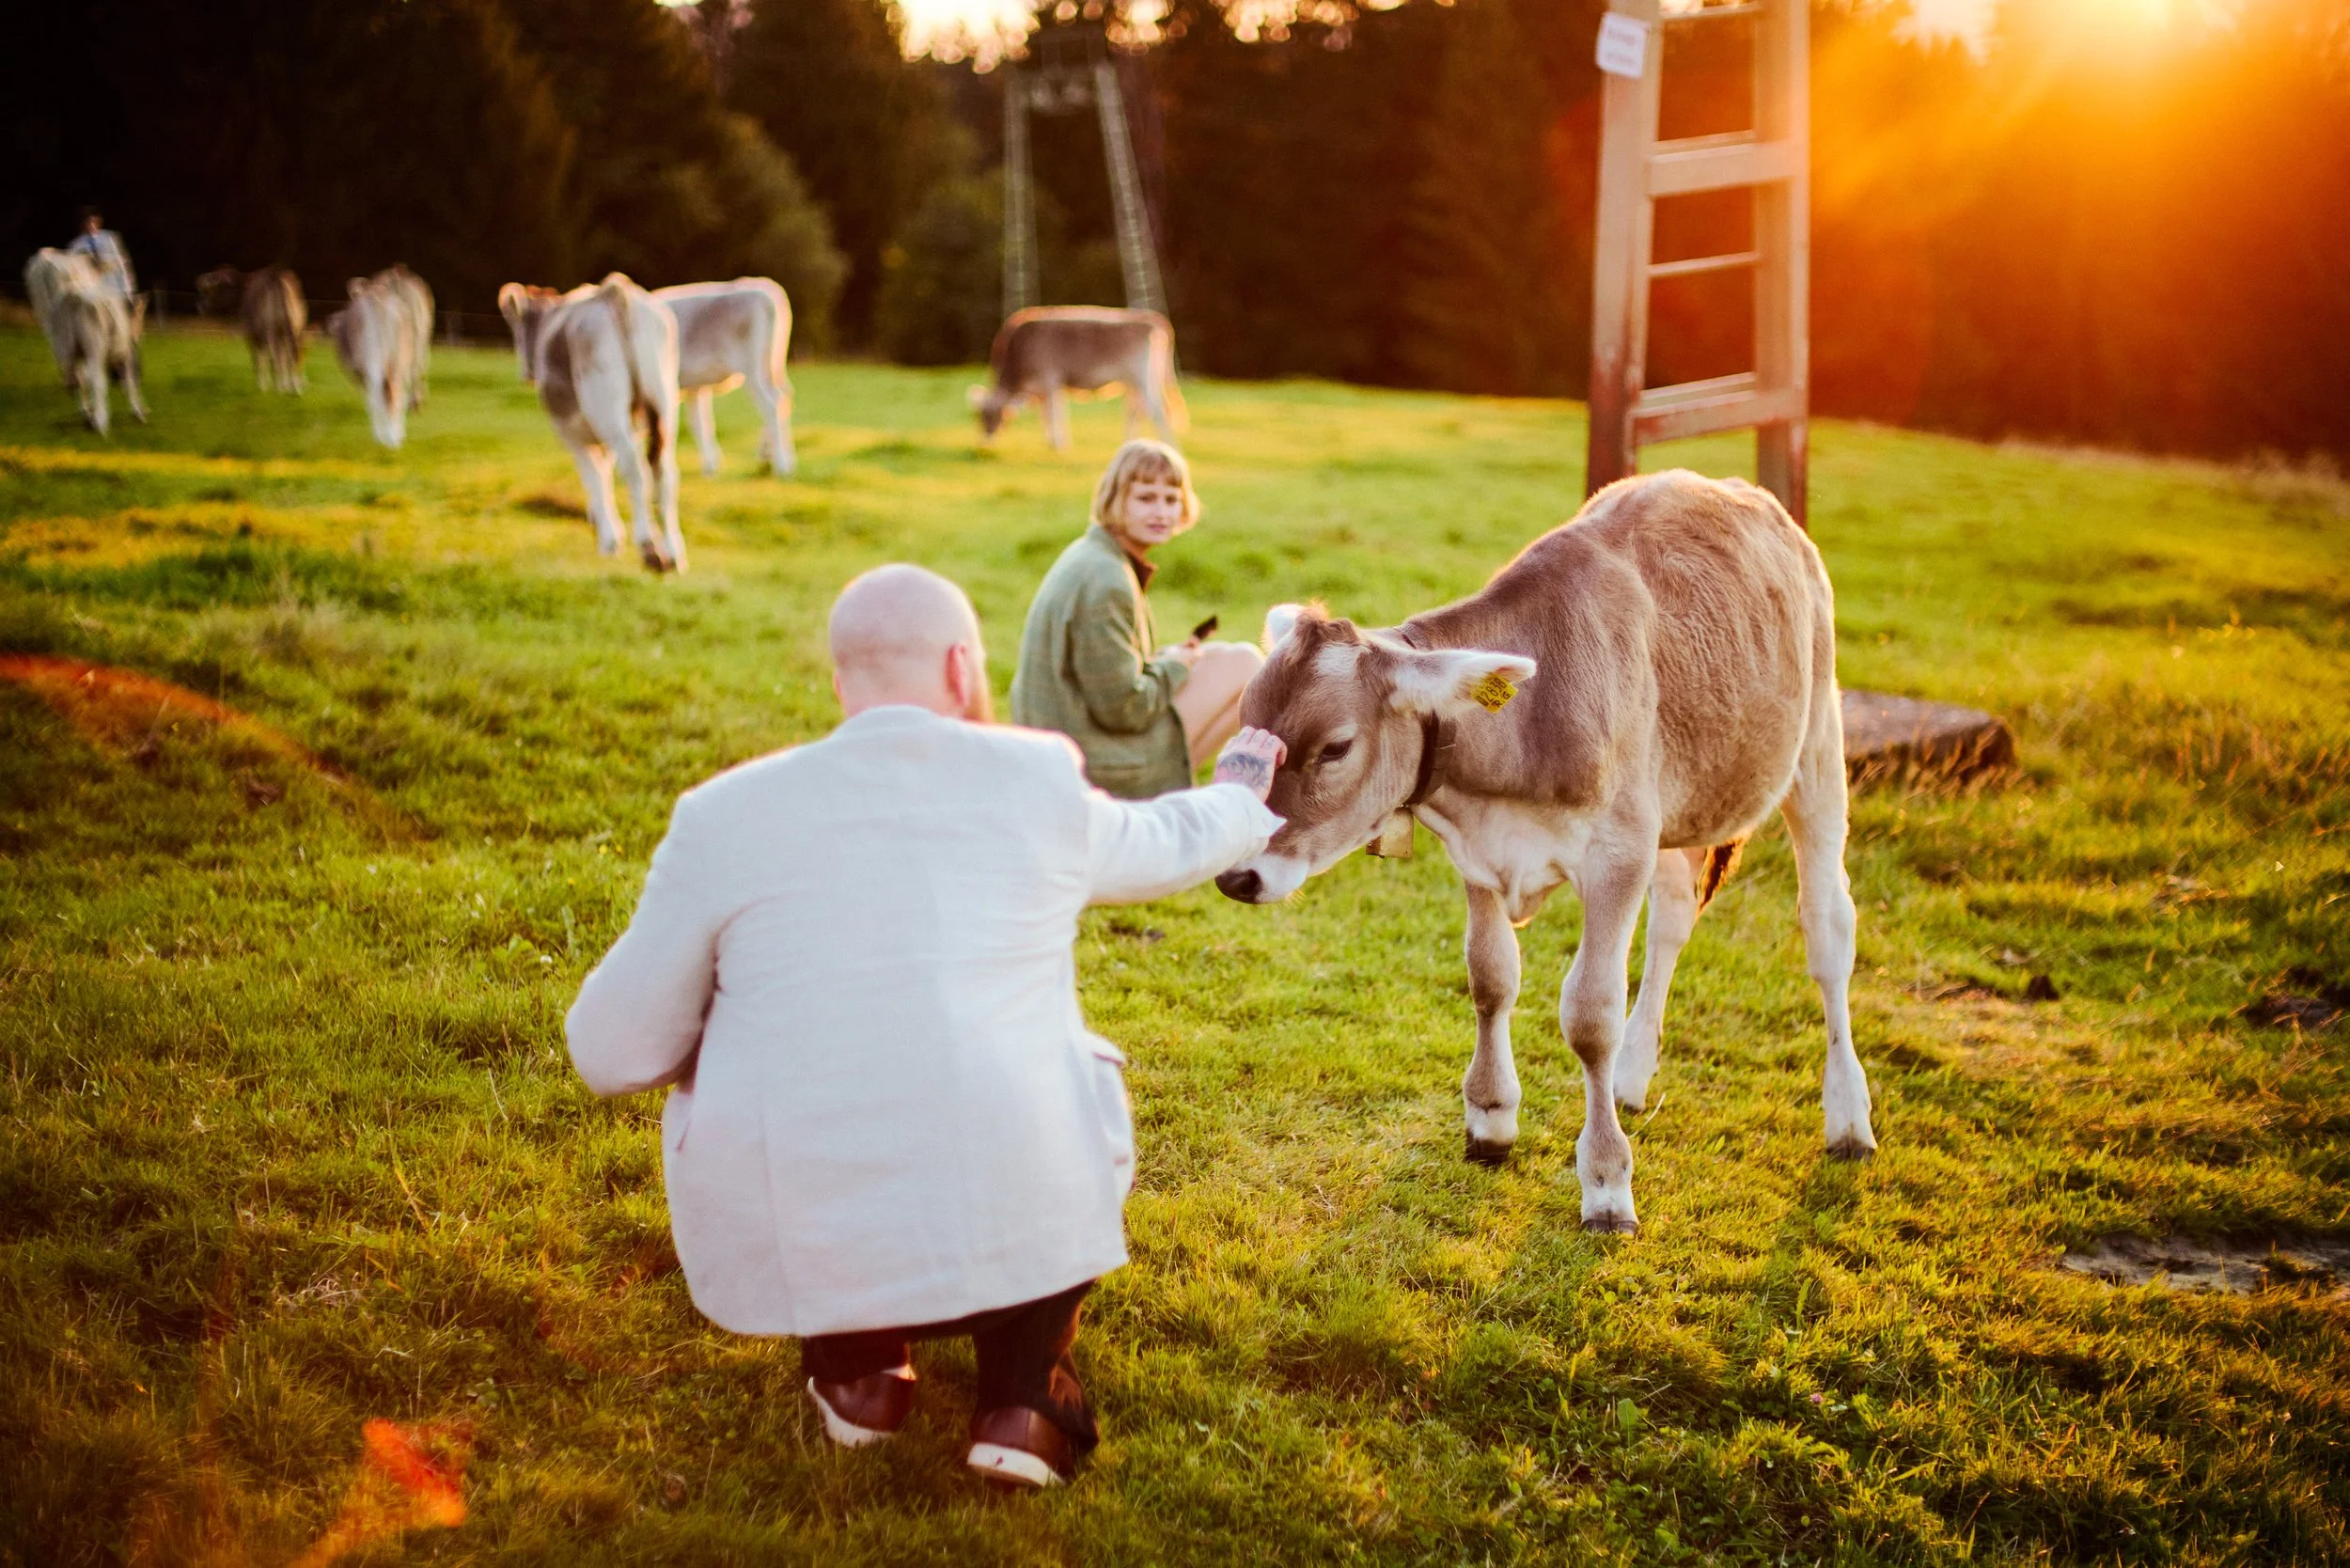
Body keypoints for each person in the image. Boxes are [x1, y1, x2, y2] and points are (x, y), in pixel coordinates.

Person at [566, 564, 1287, 1491]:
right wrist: (1239, 794)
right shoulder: (1033, 775)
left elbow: (608, 1050)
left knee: (785, 1079)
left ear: (840, 683)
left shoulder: (722, 814)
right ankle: (1024, 1401)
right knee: (1073, 1073)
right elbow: (1165, 845)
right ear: (960, 666)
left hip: (812, 1202)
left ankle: (862, 1374)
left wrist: (725, 1036)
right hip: (1008, 1184)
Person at [1010, 438, 1266, 799]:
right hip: (1088, 762)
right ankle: (1157, 805)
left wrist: (1173, 660)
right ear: (1115, 500)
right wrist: (1175, 668)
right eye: (1146, 498)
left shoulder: (1093, 553)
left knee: (1223, 656)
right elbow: (1125, 710)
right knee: (1246, 666)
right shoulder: (1107, 581)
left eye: (1171, 498)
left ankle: (1174, 797)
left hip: (1062, 742)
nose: (1161, 512)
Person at [66, 208, 136, 300]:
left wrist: (128, 286)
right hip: (92, 286)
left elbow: (122, 261)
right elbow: (70, 261)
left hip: (113, 283)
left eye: (94, 221)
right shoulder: (77, 243)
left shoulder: (111, 238)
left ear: (99, 221)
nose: (91, 225)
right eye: (88, 222)